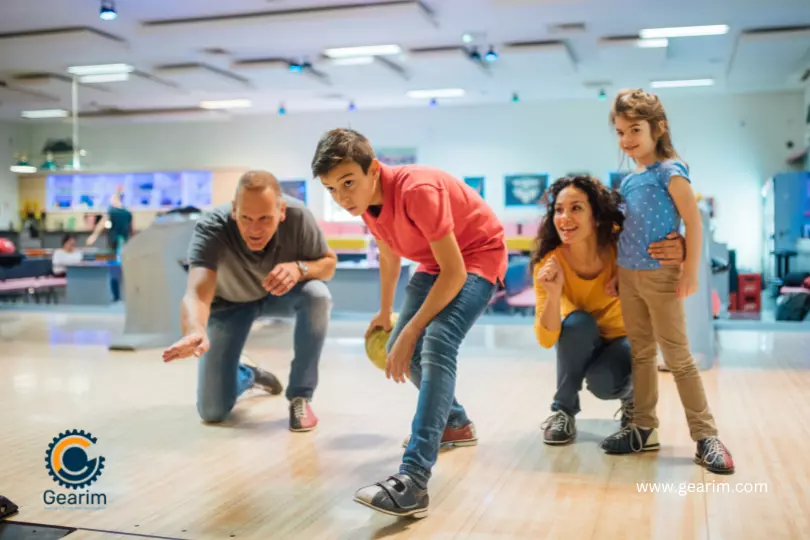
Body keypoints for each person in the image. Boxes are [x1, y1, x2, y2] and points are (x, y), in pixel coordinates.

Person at [312, 128, 507, 519]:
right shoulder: (366, 204)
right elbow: (388, 255)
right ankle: (455, 423)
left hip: (477, 258)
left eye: (348, 183)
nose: (343, 197)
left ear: (373, 170)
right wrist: (386, 314)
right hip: (436, 264)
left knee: (435, 342)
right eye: (332, 189)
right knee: (400, 348)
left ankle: (413, 480)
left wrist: (413, 328)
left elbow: (454, 273)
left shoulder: (417, 190)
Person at [598, 88, 734, 474]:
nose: (627, 140)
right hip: (629, 276)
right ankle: (643, 427)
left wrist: (690, 270)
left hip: (660, 276)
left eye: (634, 130)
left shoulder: (671, 171)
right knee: (641, 353)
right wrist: (614, 274)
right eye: (621, 132)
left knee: (677, 356)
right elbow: (625, 231)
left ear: (657, 128)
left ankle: (705, 436)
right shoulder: (629, 181)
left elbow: (693, 221)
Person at [161, 171, 336, 432]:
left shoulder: (299, 217)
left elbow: (328, 265)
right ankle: (248, 375)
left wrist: (299, 268)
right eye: (246, 218)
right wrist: (195, 329)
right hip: (231, 302)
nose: (255, 229)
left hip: (279, 294)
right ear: (234, 211)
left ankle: (300, 396)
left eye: (265, 218)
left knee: (318, 295)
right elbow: (197, 291)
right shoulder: (213, 227)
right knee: (212, 411)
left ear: (282, 211)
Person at [533, 175, 685, 445]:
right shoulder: (549, 263)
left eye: (576, 208)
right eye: (558, 209)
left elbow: (667, 255)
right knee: (577, 324)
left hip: (628, 337)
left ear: (597, 216)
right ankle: (563, 412)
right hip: (585, 337)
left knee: (604, 383)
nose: (564, 217)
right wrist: (554, 294)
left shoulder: (624, 244)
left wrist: (680, 246)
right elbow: (546, 340)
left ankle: (634, 402)